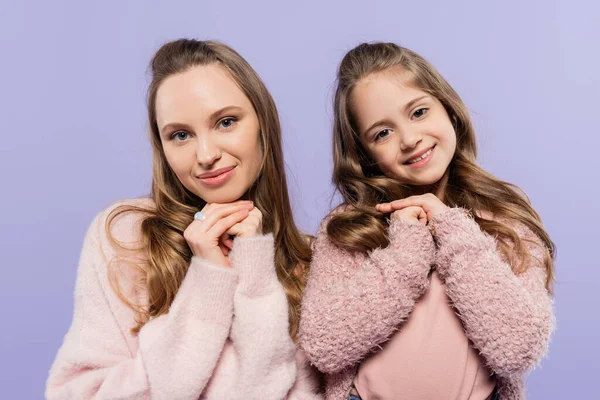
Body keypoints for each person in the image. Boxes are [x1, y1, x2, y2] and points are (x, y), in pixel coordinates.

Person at [47, 39, 322, 400]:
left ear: (263, 124)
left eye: (226, 122)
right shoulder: (126, 236)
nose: (206, 155)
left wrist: (254, 269)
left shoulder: (313, 263)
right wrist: (207, 283)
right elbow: (79, 394)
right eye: (180, 135)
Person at [299, 42, 555, 400]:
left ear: (448, 109)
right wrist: (406, 250)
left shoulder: (505, 218)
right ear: (364, 154)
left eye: (418, 112)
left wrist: (453, 230)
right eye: (382, 133)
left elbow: (517, 347)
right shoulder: (350, 229)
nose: (409, 139)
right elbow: (324, 345)